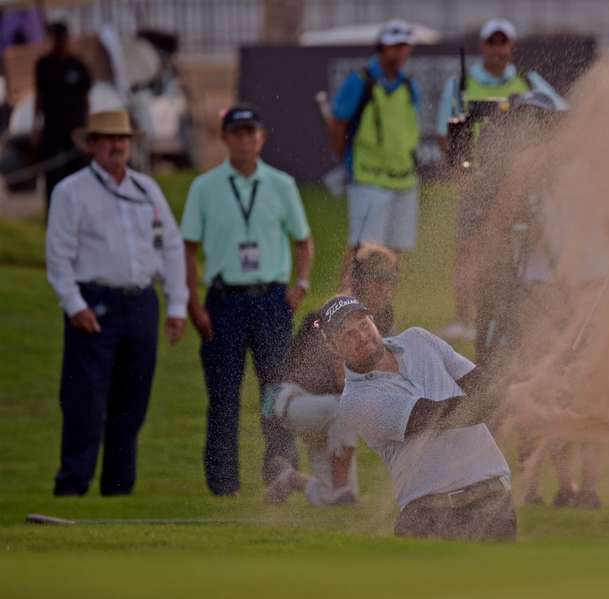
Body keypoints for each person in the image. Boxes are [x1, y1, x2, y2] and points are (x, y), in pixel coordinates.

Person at [45, 109, 188, 496]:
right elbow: (58, 256)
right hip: (95, 301)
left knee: (133, 398)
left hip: (141, 301)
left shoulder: (146, 189)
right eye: (108, 139)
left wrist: (177, 305)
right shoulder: (71, 192)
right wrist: (74, 304)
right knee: (85, 400)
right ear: (92, 145)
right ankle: (73, 484)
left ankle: (119, 487)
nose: (117, 146)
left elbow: (171, 247)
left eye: (123, 139)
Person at [181, 104, 314, 496]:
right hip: (224, 301)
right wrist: (192, 303)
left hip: (271, 299)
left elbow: (303, 241)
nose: (244, 140)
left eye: (250, 132)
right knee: (223, 396)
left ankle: (281, 473)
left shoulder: (281, 184)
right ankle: (224, 485)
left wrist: (301, 285)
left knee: (276, 392)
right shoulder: (204, 187)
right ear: (225, 138)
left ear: (262, 138)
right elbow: (186, 248)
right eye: (236, 133)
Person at [322, 296, 516, 541]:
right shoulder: (356, 402)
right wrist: (511, 394)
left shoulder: (419, 339)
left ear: (372, 319)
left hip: (494, 504)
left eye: (363, 324)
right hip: (432, 519)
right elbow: (437, 416)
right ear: (333, 348)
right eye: (347, 335)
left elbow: (481, 385)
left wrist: (518, 390)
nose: (361, 336)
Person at [435, 18, 565, 342]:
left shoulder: (527, 81)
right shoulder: (461, 84)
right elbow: (446, 134)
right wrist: (460, 172)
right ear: (483, 47)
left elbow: (561, 114)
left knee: (523, 245)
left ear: (512, 46)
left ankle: (527, 312)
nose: (497, 49)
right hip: (478, 178)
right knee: (468, 247)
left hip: (520, 180)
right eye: (491, 43)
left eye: (502, 42)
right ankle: (463, 318)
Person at [261, 245, 399, 506]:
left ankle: (290, 479)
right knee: (345, 408)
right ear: (361, 282)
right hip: (292, 401)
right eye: (380, 281)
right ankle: (338, 489)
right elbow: (342, 382)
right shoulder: (335, 314)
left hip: (327, 413)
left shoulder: (381, 319)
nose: (387, 289)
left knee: (338, 498)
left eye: (391, 280)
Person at [328, 19, 421, 284]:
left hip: (403, 178)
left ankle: (383, 315)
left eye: (405, 46)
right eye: (395, 46)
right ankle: (343, 312)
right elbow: (338, 123)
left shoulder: (409, 84)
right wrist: (346, 160)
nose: (400, 52)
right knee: (361, 250)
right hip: (369, 179)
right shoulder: (360, 81)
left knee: (395, 253)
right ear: (382, 48)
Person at [34, 22, 92, 216]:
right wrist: (37, 125)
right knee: (52, 173)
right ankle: (52, 212)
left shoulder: (78, 65)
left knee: (75, 171)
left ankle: (77, 211)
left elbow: (86, 98)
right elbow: (39, 97)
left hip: (75, 127)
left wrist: (87, 127)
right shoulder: (44, 65)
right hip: (52, 126)